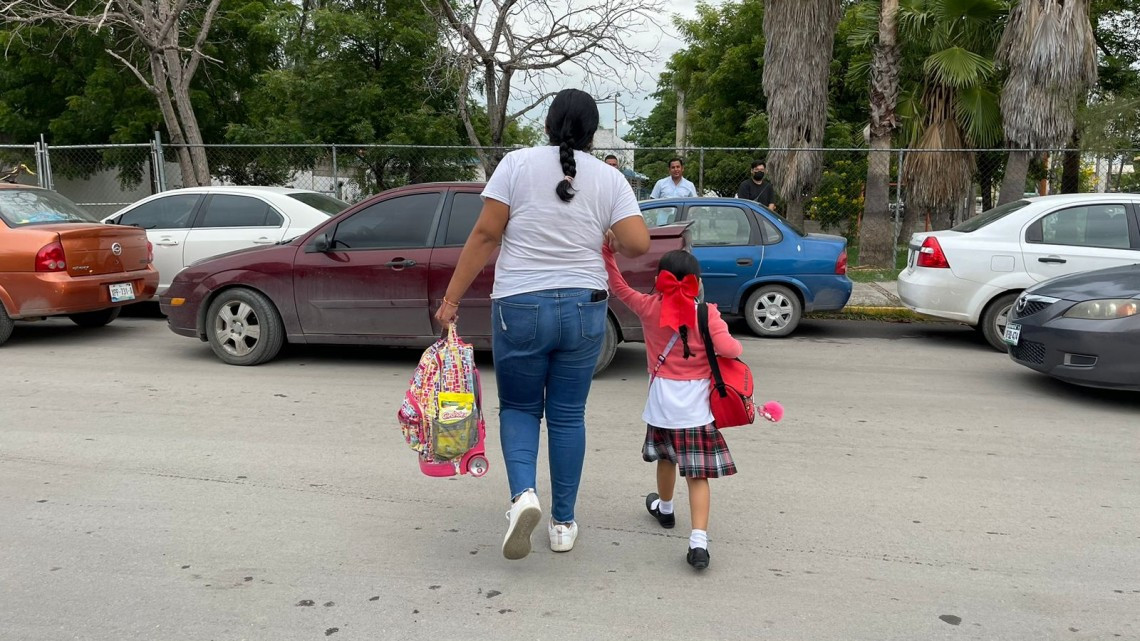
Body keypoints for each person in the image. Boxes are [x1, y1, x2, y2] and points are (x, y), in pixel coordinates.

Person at [434, 89, 651, 561]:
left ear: (549, 124)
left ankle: (523, 497)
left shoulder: (515, 164)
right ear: (593, 133)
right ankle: (563, 523)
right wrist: (609, 232)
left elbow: (487, 233)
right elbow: (638, 243)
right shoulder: (610, 178)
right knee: (569, 416)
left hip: (520, 305)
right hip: (584, 306)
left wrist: (451, 299)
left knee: (519, 409)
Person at [602, 241, 742, 570]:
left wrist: (607, 252)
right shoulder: (707, 314)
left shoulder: (648, 307)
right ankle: (698, 543)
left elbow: (618, 285)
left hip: (662, 403)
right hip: (696, 408)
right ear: (696, 281)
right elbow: (732, 350)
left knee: (666, 459)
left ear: (660, 277)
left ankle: (665, 510)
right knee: (698, 475)